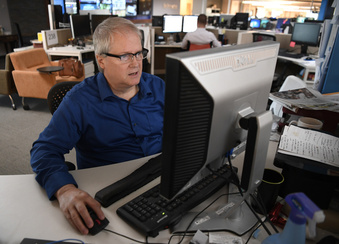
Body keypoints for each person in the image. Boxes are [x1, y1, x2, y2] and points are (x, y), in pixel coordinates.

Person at [30, 17, 165, 235]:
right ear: (101, 61)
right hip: (110, 193)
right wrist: (64, 190)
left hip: (159, 181)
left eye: (139, 53)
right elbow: (44, 150)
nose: (136, 63)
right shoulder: (79, 101)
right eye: (124, 56)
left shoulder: (158, 87)